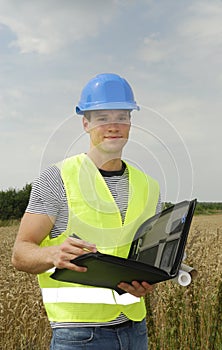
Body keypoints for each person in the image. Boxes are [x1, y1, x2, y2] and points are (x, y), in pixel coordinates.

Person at [12, 73, 161, 350]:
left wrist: (151, 279)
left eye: (122, 116)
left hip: (136, 331)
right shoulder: (57, 178)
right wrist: (53, 254)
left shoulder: (149, 186)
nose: (113, 126)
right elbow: (20, 253)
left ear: (131, 122)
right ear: (85, 123)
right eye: (103, 118)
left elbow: (149, 255)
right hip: (79, 337)